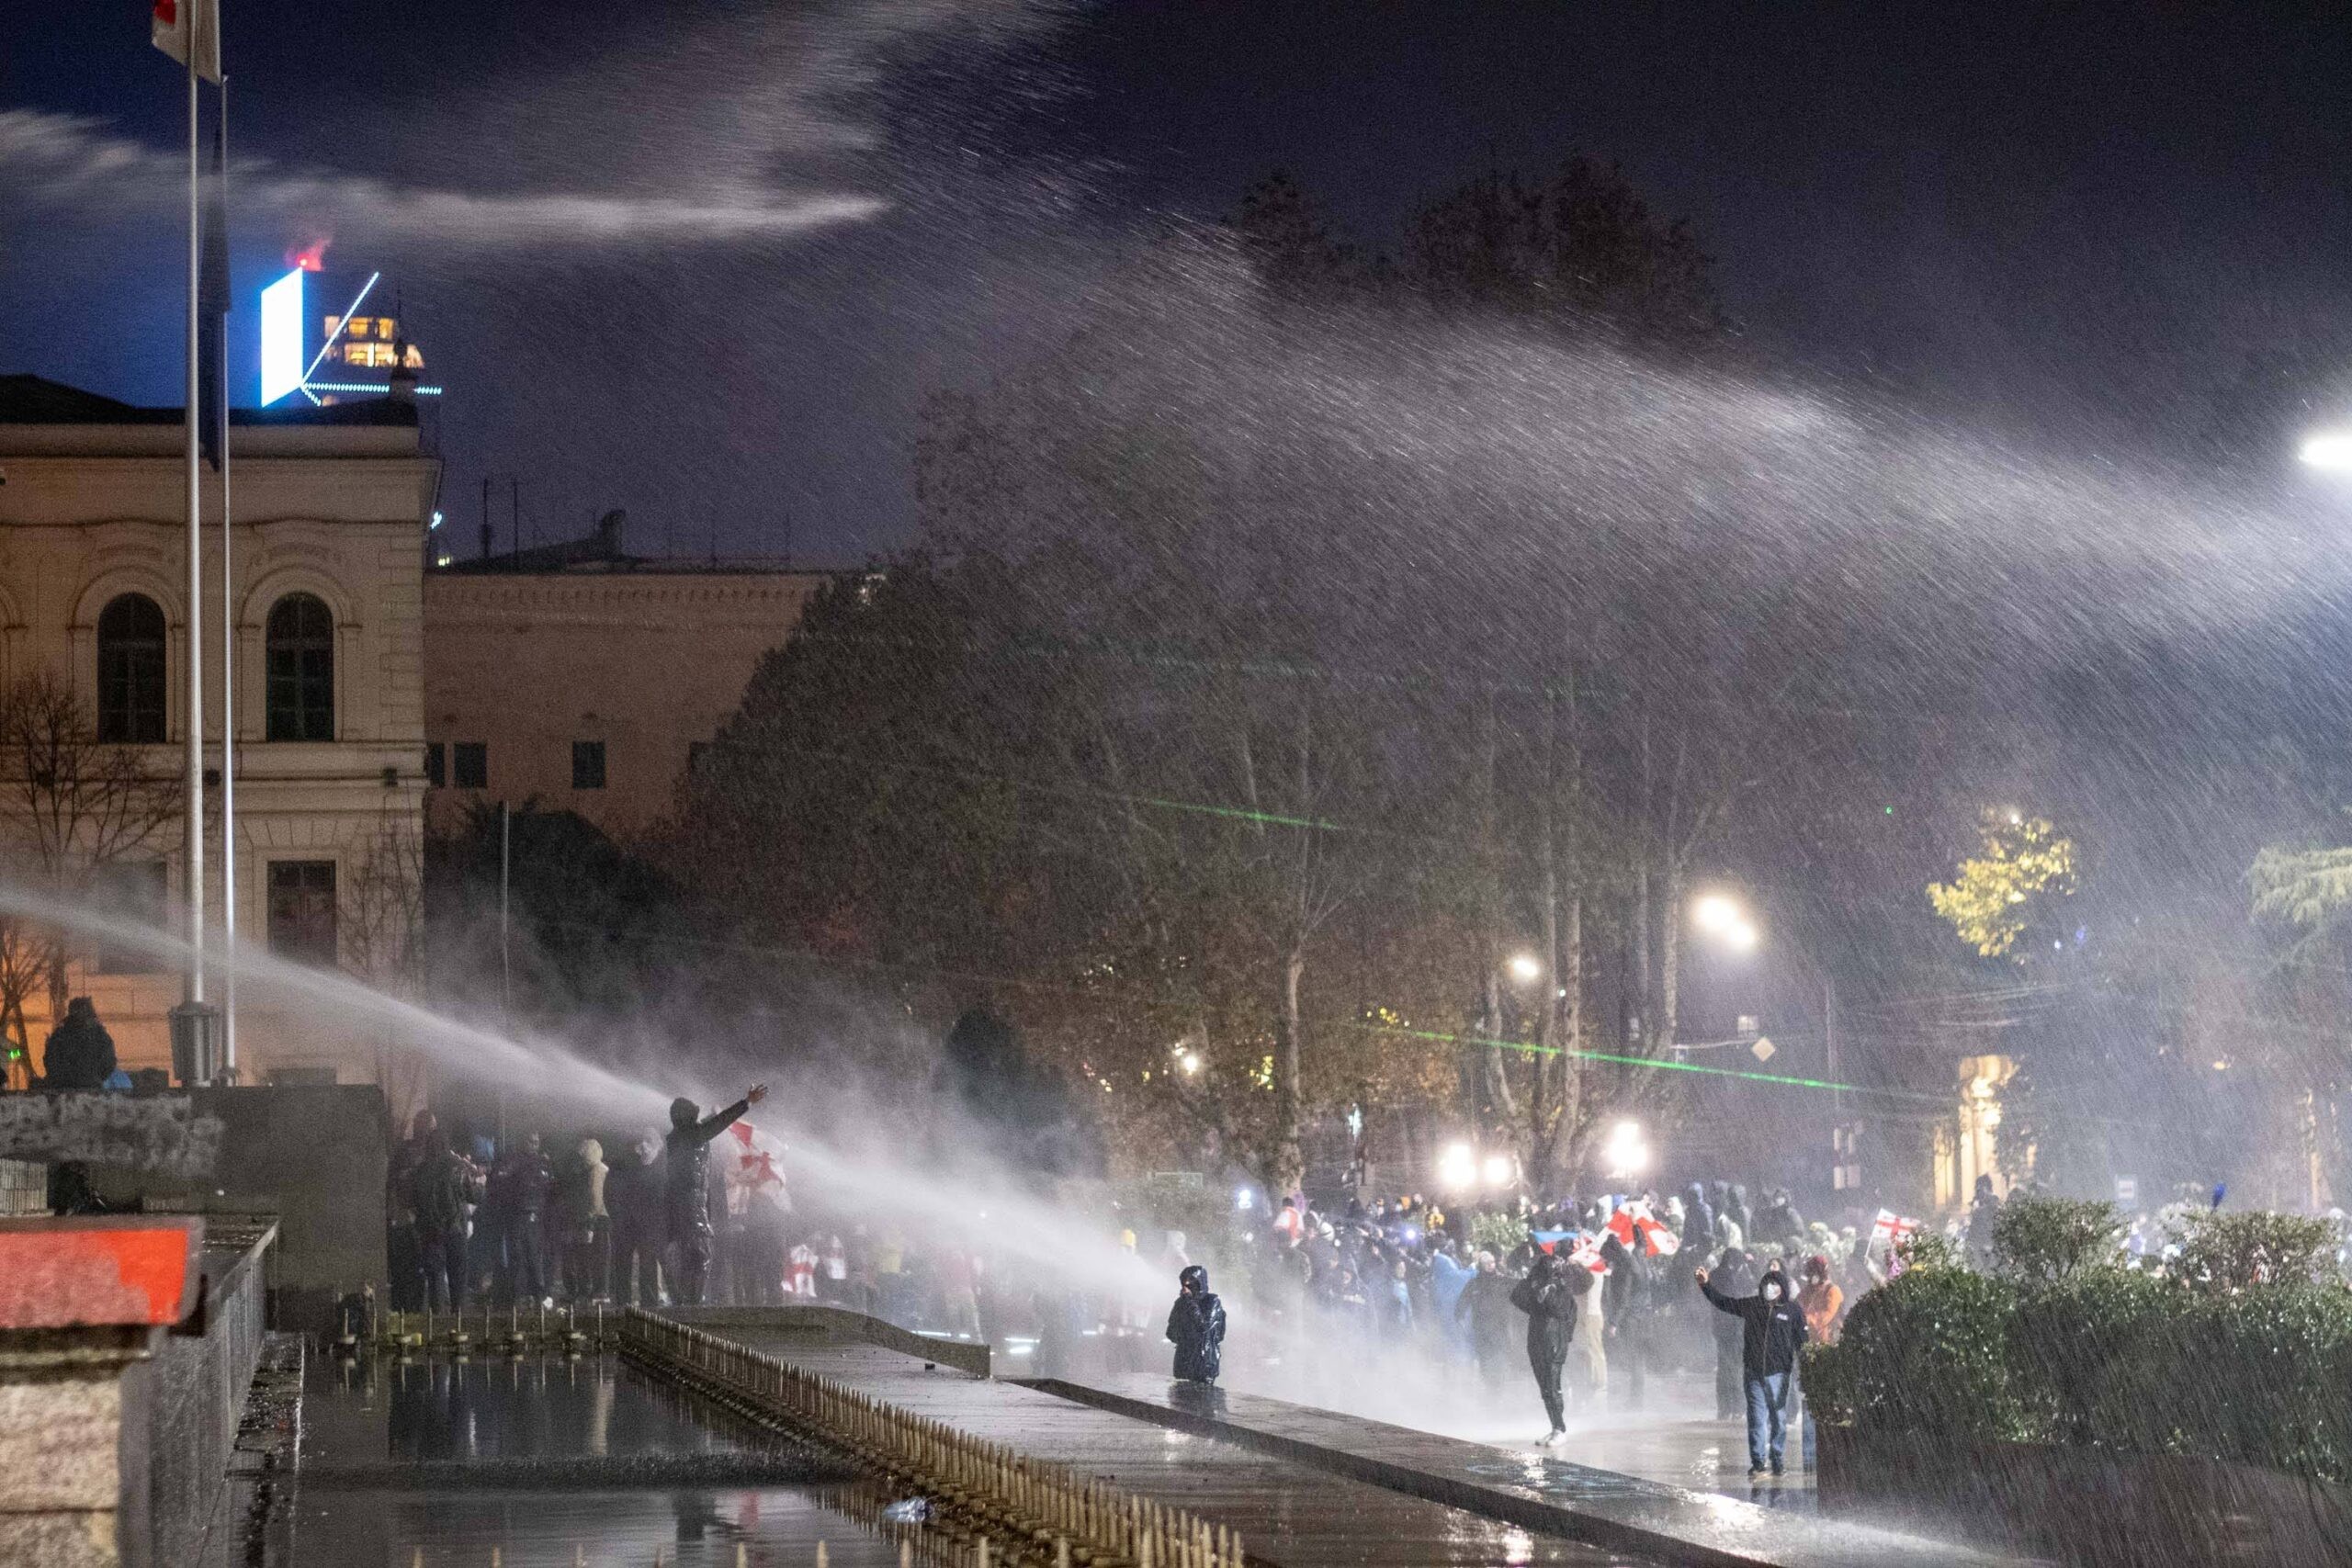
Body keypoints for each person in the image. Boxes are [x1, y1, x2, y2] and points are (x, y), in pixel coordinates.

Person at [1697, 1258, 1809, 1480]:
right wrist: (1705, 1285)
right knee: (1757, 1419)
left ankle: (1777, 1461)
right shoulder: (1752, 1305)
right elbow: (1724, 1303)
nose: (1770, 1289)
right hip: (1754, 1374)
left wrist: (1805, 1369)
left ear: (1783, 1289)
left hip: (1779, 1374)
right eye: (1766, 1284)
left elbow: (1802, 1342)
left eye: (1774, 1285)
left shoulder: (1794, 1311)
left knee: (1778, 1420)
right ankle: (1758, 1464)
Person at [663, 1085, 767, 1306]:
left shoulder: (676, 1136)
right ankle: (692, 1302)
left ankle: (684, 1300)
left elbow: (704, 1126)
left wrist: (713, 1114)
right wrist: (745, 1103)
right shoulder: (693, 1135)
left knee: (690, 1253)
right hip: (692, 1206)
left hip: (684, 1204)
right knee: (701, 1252)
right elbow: (716, 1126)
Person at [1510, 1249, 1590, 1445]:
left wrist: (1548, 1293)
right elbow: (1518, 1298)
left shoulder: (1563, 1288)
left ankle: (1559, 1428)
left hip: (1554, 1340)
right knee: (1545, 1387)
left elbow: (1561, 1311)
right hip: (1537, 1338)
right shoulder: (1540, 1283)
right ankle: (1554, 1426)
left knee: (1552, 1386)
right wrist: (1534, 1284)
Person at [410, 1123, 474, 1312]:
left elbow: (415, 1201)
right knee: (458, 1277)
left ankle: (437, 1320)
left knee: (436, 1276)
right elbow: (471, 1195)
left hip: (430, 1231)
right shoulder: (458, 1166)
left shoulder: (421, 1170)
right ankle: (458, 1318)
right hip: (456, 1229)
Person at [607, 1130, 665, 1307]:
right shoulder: (625, 1166)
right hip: (626, 1226)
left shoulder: (660, 1170)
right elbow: (611, 1194)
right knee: (623, 1265)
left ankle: (649, 1304)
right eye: (643, 1145)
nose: (646, 1150)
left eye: (650, 1146)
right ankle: (623, 1304)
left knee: (647, 1267)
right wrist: (618, 1217)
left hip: (647, 1227)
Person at [1708, 1247, 1758, 1416]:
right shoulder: (1729, 1276)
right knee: (1735, 1368)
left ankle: (1725, 1407)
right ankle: (1736, 1407)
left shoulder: (1715, 1275)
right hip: (1733, 1328)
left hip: (1724, 1329)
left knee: (1726, 1368)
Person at [561, 1137, 611, 1303]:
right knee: (597, 1256)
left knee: (595, 1256)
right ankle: (598, 1289)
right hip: (600, 1217)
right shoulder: (600, 1169)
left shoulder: (595, 1171)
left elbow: (595, 1197)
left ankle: (598, 1291)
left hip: (596, 1219)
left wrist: (589, 1219)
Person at [1167, 1264, 1227, 1384]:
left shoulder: (1212, 1302)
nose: (1186, 1286)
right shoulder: (1181, 1303)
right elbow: (1171, 1332)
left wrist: (1189, 1301)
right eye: (1184, 1282)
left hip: (1204, 1364)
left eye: (1191, 1281)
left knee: (1202, 1400)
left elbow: (1204, 1326)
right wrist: (1185, 1338)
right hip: (1183, 1362)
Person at [41, 998, 115, 1091]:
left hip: (63, 1090)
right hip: (93, 1088)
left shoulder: (59, 1035)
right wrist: (95, 1077)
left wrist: (61, 1079)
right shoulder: (100, 1036)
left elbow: (50, 1061)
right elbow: (109, 1063)